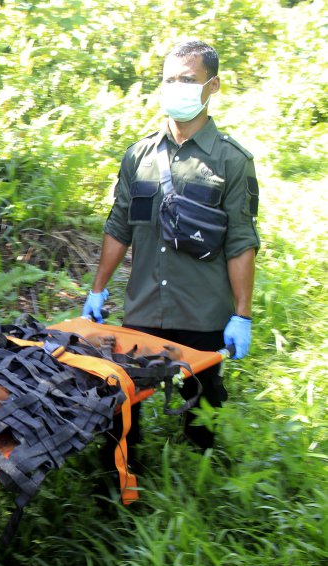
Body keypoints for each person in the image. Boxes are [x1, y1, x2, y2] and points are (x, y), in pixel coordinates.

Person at [83, 39, 260, 452]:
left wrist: (242, 316)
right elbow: (119, 226)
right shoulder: (138, 156)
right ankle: (119, 485)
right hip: (143, 307)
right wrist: (97, 289)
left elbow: (241, 241)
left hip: (203, 313)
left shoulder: (232, 161)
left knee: (204, 406)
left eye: (188, 79)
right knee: (121, 404)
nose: (177, 87)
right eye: (169, 79)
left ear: (212, 86)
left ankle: (203, 478)